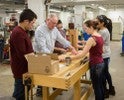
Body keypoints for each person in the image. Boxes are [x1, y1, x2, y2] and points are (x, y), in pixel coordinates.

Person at [59, 20, 105, 100]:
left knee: (96, 87)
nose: (85, 30)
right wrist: (86, 48)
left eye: (86, 28)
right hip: (101, 63)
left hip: (95, 65)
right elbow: (101, 50)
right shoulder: (99, 36)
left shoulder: (92, 38)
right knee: (100, 86)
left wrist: (66, 58)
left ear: (91, 27)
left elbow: (82, 55)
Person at [34, 13, 77, 96]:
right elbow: (42, 48)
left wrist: (71, 47)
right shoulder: (40, 30)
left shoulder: (54, 29)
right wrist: (54, 57)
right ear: (47, 20)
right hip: (41, 55)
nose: (54, 25)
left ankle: (55, 87)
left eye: (55, 23)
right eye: (53, 23)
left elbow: (61, 39)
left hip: (49, 53)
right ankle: (40, 91)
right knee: (43, 73)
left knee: (52, 71)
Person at [9, 9, 37, 100]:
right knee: (20, 94)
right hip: (21, 69)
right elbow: (23, 54)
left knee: (24, 91)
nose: (33, 25)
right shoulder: (18, 33)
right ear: (26, 21)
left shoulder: (23, 31)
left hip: (25, 68)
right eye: (32, 23)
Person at [96, 15, 115, 98]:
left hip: (104, 55)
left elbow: (97, 43)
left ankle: (105, 91)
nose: (96, 23)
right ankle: (110, 89)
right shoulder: (102, 30)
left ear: (102, 23)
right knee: (106, 73)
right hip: (105, 54)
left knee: (103, 74)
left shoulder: (103, 32)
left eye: (97, 22)